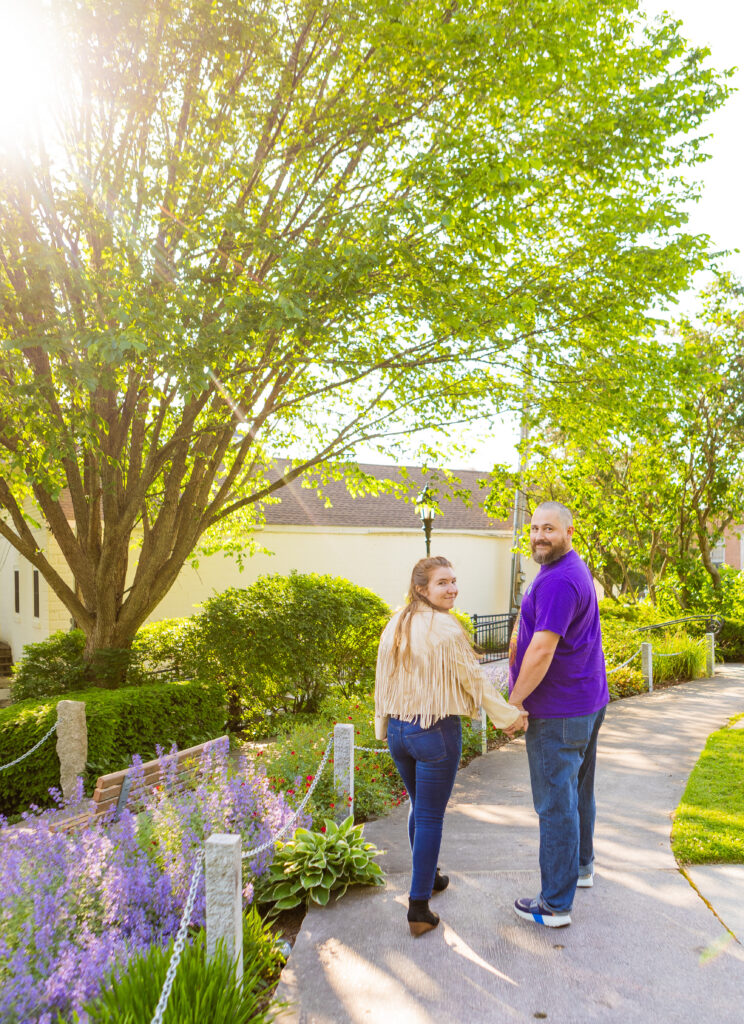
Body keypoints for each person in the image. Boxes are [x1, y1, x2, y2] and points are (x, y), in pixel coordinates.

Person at [375, 555, 527, 937]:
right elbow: (475, 682)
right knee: (429, 816)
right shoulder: (446, 628)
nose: (452, 588)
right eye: (443, 582)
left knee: (419, 808)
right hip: (435, 731)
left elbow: (382, 682)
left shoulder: (394, 623)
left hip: (398, 732)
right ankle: (418, 908)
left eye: (454, 581)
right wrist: (508, 717)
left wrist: (383, 727)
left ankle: (430, 877)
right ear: (421, 589)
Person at [508, 501, 609, 928]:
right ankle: (581, 868)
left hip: (559, 712)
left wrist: (513, 703)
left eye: (548, 529)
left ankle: (554, 905)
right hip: (584, 702)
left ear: (570, 530)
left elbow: (544, 648)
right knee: (576, 793)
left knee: (555, 804)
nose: (538, 536)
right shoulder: (562, 569)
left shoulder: (559, 580)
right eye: (533, 529)